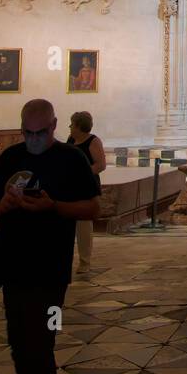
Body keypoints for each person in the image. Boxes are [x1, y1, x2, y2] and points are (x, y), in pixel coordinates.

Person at [0, 99, 100, 374]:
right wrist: (0, 207)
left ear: (54, 126)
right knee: (19, 346)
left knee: (42, 347)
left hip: (52, 275)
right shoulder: (11, 159)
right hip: (13, 269)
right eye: (27, 133)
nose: (32, 140)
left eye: (40, 133)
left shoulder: (71, 159)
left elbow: (93, 207)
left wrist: (53, 206)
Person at [66, 112, 106, 280]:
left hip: (85, 185)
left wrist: (81, 173)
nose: (69, 127)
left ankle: (84, 261)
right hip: (70, 186)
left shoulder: (93, 141)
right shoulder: (70, 140)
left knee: (83, 224)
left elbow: (100, 164)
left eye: (71, 124)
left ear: (78, 125)